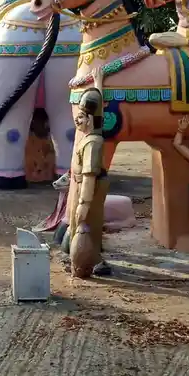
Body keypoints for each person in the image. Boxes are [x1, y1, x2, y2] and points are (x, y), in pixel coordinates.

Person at [68, 89, 111, 277]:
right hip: (81, 187)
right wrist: (97, 84)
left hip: (88, 190)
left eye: (82, 117)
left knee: (87, 225)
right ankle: (79, 258)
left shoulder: (93, 143)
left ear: (91, 119)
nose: (77, 120)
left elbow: (89, 176)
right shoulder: (89, 138)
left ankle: (91, 261)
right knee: (77, 225)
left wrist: (84, 203)